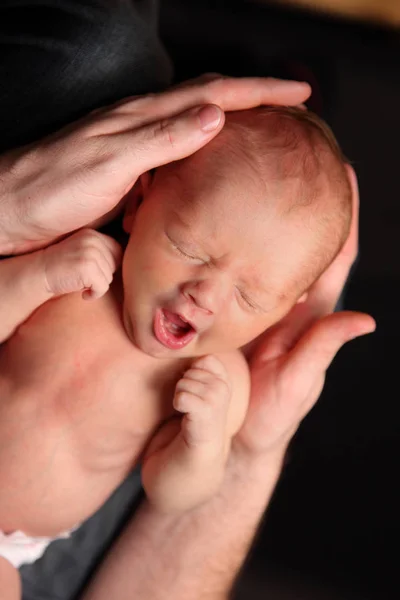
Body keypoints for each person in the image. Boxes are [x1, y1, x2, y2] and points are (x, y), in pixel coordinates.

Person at [3, 74, 357, 598]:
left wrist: (203, 445)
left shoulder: (218, 381)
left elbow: (169, 492)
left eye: (250, 298)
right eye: (190, 249)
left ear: (287, 309)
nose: (205, 295)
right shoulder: (80, 268)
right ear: (138, 204)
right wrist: (35, 277)